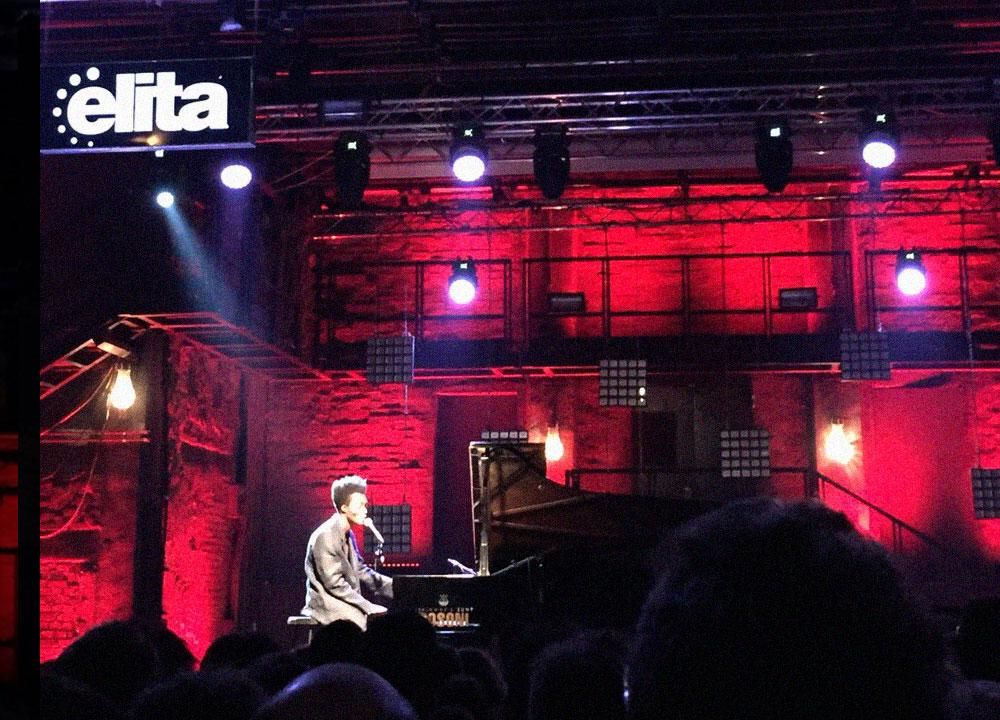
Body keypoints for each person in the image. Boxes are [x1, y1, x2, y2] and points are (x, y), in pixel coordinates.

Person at [301, 475, 393, 630]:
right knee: (363, 624)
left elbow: (361, 571)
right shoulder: (325, 536)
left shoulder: (348, 535)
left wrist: (398, 587)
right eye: (360, 505)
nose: (365, 510)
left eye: (365, 505)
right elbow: (334, 584)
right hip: (327, 603)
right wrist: (368, 606)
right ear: (344, 507)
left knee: (380, 620)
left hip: (342, 600)